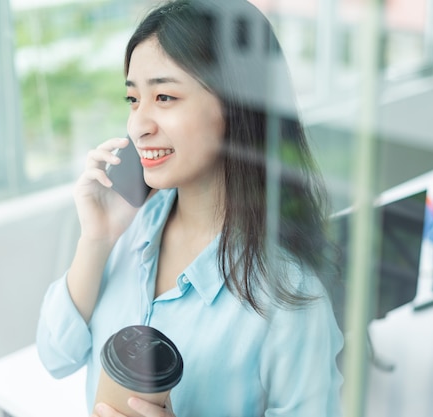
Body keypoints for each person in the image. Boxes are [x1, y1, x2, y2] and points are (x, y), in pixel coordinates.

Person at [36, 0, 344, 416]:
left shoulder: (291, 297)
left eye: (164, 96)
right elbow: (57, 356)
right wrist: (97, 239)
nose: (138, 124)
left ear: (237, 107)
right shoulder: (130, 228)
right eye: (132, 99)